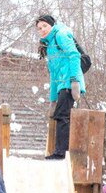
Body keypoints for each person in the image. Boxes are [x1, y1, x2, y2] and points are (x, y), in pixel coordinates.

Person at [36, 14, 86, 160]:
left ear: (52, 25)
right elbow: (53, 75)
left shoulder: (61, 35)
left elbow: (74, 55)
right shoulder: (49, 45)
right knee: (60, 114)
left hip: (70, 82)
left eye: (45, 26)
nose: (42, 30)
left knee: (62, 115)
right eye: (39, 28)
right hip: (61, 85)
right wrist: (53, 100)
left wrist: (75, 81)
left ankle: (61, 153)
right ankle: (60, 151)